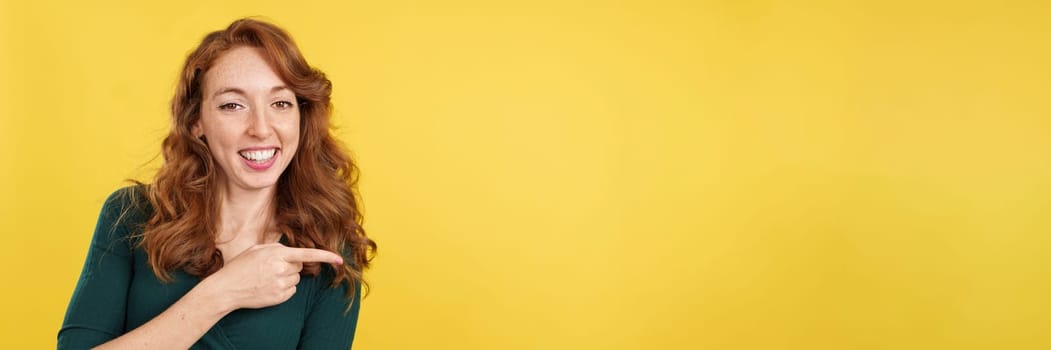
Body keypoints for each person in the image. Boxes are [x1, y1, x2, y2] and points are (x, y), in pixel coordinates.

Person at [58, 18, 376, 349]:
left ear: (301, 114)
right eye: (233, 105)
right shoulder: (131, 214)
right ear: (196, 122)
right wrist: (222, 293)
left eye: (280, 103)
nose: (261, 129)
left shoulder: (328, 248)